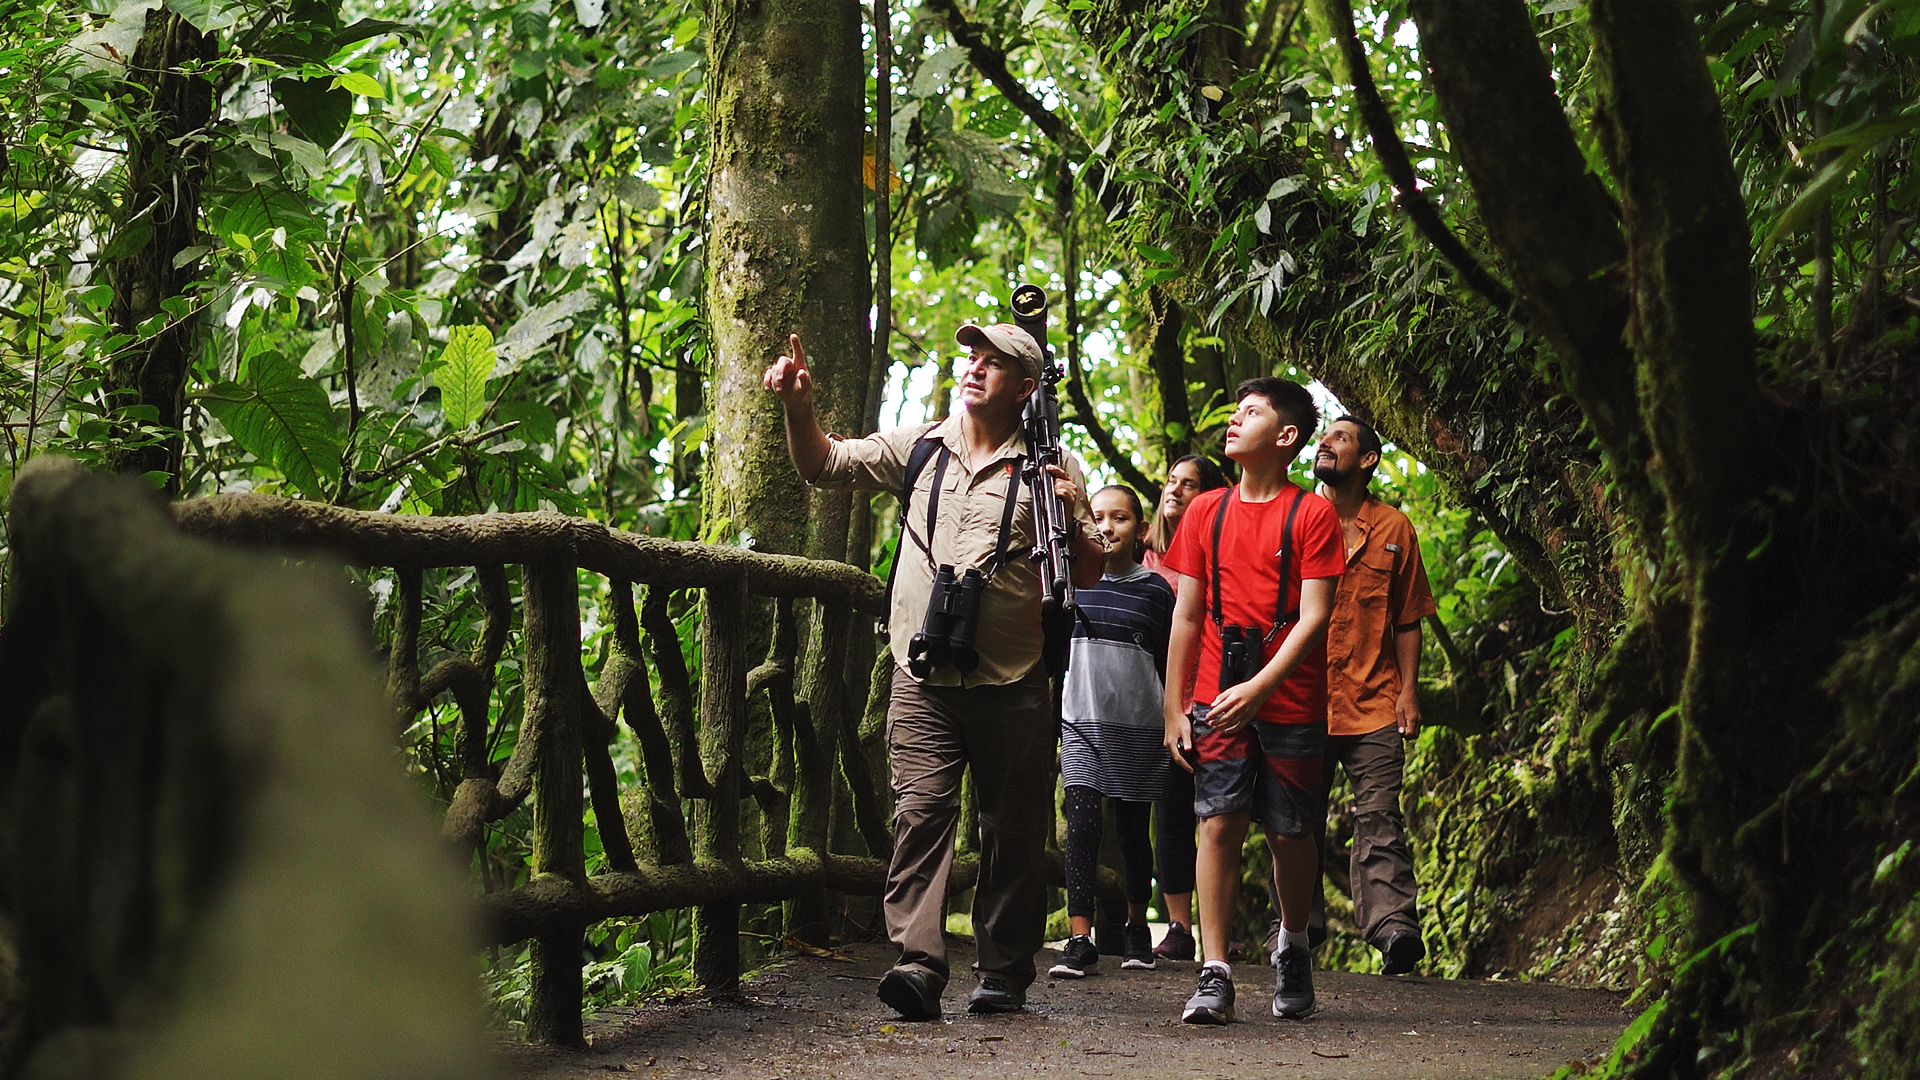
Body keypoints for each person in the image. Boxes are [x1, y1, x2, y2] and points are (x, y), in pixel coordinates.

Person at [762, 323, 1107, 1020]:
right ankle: (918, 963)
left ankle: (1005, 970)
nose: (975, 367)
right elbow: (821, 465)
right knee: (920, 814)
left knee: (1012, 828)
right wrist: (799, 410)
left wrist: (1073, 511)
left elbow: (1088, 574)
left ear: (1027, 387)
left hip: (1015, 679)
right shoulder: (919, 445)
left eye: (995, 362)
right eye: (972, 355)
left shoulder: (1049, 466)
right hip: (921, 674)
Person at [1161, 377, 1344, 1024]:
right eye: (1235, 411)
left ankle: (1292, 944)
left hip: (1290, 698)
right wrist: (1174, 706)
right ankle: (1214, 971)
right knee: (1218, 822)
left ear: (1286, 435)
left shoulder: (1313, 513)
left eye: (1251, 413)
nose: (1234, 421)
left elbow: (1315, 616)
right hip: (1214, 692)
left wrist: (1260, 686)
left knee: (1291, 834)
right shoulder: (1207, 510)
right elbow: (1186, 615)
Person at [1310, 416, 1437, 975]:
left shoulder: (1393, 528)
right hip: (1302, 700)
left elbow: (1408, 620)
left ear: (1366, 461)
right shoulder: (1297, 519)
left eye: (1339, 438)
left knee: (1380, 815)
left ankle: (1394, 930)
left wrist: (1409, 692)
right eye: (1324, 436)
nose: (1325, 443)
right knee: (1295, 819)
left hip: (1376, 700)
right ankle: (1294, 928)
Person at [1048, 485, 1178, 978]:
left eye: (1120, 518)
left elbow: (1170, 661)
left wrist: (1173, 720)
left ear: (1142, 531)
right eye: (1097, 517)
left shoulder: (1156, 592)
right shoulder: (1073, 582)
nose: (1106, 527)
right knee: (1081, 828)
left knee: (1131, 834)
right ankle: (1079, 938)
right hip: (1081, 722)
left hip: (1140, 729)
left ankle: (1135, 926)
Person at [1141, 454, 1230, 964]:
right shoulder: (1143, 556)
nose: (1175, 490)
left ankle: (1222, 923)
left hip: (1215, 698)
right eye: (1171, 481)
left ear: (1212, 496)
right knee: (1171, 814)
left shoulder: (1220, 555)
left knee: (1221, 815)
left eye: (1189, 484)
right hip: (1160, 703)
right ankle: (1178, 927)